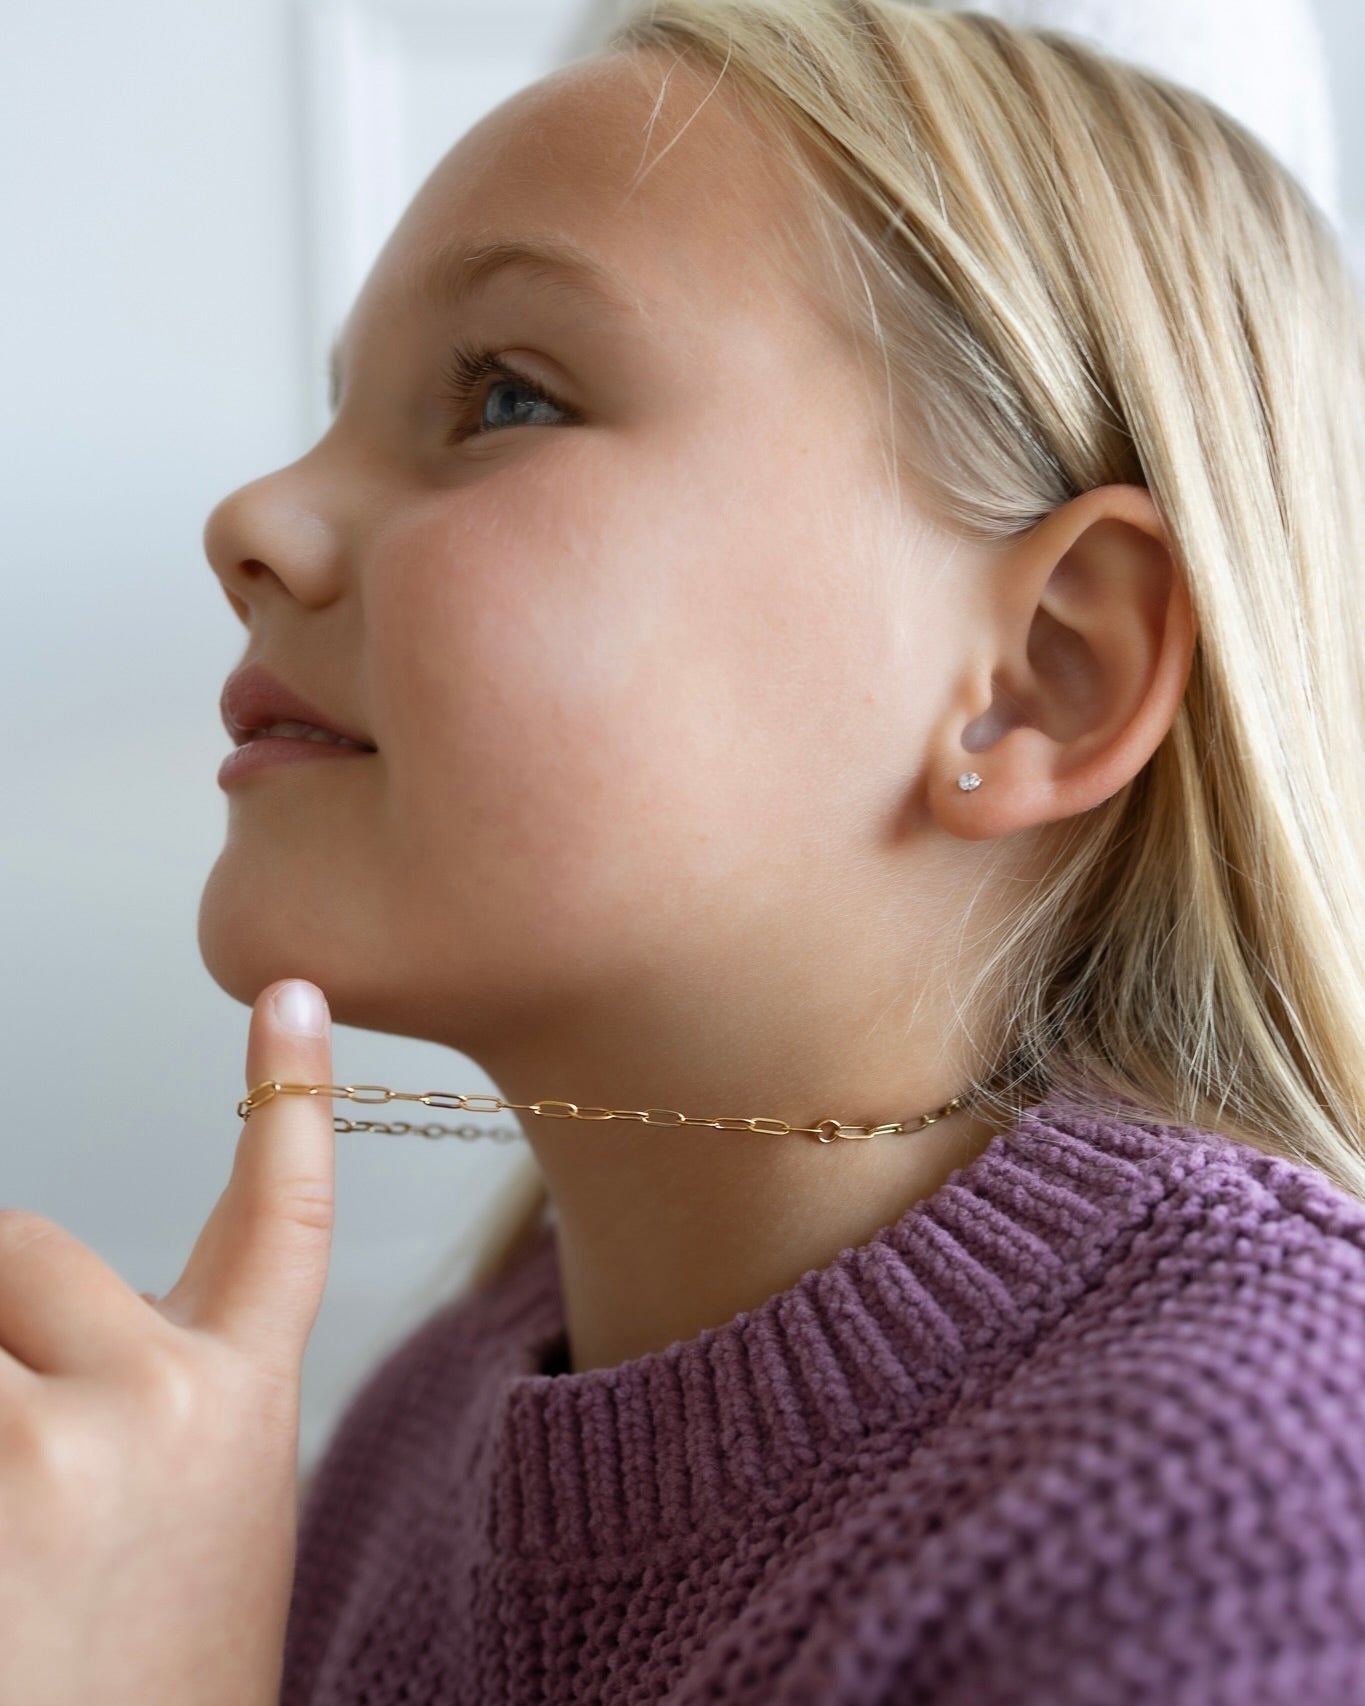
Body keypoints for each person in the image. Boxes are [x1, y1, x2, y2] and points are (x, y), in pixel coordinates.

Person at [197, 0, 1365, 1700]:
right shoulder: (411, 1439)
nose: (254, 518)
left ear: (1042, 674)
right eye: (334, 414)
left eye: (506, 393)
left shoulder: (1254, 1510)